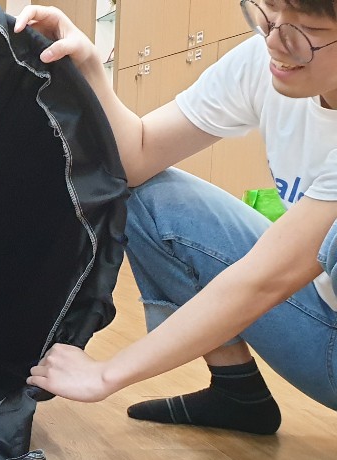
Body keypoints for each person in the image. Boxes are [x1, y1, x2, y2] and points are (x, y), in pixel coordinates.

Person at [18, 0, 337, 435]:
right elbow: (137, 156)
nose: (275, 42)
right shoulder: (261, 61)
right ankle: (236, 392)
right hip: (322, 311)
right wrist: (89, 64)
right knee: (145, 195)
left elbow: (264, 281)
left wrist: (106, 374)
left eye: (306, 31)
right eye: (268, 12)